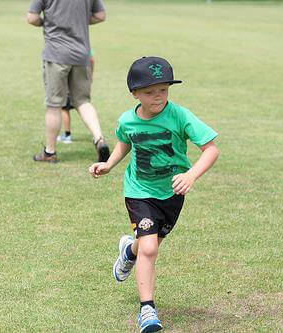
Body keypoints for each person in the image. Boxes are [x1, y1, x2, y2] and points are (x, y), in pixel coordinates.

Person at [88, 56, 220, 332]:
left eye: (163, 90)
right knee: (149, 248)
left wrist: (190, 175)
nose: (158, 97)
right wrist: (109, 165)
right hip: (139, 191)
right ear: (134, 93)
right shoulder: (127, 120)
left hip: (172, 194)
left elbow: (211, 149)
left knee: (147, 246)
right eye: (149, 92)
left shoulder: (180, 116)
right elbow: (125, 142)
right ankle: (147, 310)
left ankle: (128, 250)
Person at [27, 0, 110, 163]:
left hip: (56, 55)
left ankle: (49, 153)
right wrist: (78, 21)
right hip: (81, 54)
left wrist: (48, 22)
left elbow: (31, 18)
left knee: (54, 105)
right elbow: (100, 16)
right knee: (83, 101)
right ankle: (99, 139)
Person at [57, 52, 95, 144]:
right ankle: (97, 136)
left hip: (68, 81)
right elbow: (92, 60)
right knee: (83, 106)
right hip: (81, 79)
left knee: (64, 108)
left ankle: (67, 135)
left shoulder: (66, 45)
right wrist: (91, 75)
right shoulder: (84, 45)